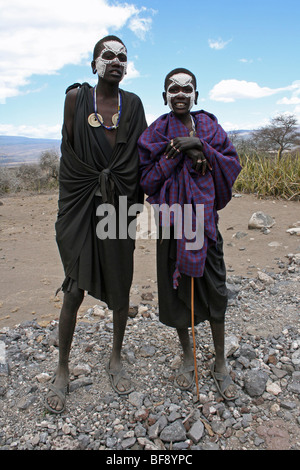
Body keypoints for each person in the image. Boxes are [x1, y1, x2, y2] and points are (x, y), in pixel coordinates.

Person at [45, 36, 147, 413]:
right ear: (93, 64)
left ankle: (116, 357)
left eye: (122, 56)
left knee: (122, 285)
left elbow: (143, 155)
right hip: (82, 207)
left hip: (119, 204)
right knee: (74, 289)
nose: (116, 61)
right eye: (108, 55)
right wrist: (71, 210)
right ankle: (62, 369)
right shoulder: (75, 99)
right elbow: (69, 160)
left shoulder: (133, 104)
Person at [138, 68, 241, 400]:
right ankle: (187, 356)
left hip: (205, 224)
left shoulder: (210, 125)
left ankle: (221, 362)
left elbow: (230, 164)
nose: (180, 93)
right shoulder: (156, 132)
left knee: (215, 289)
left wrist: (200, 146)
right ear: (164, 95)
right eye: (173, 88)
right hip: (171, 223)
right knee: (175, 289)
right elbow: (148, 181)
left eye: (187, 88)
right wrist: (176, 153)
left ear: (196, 94)